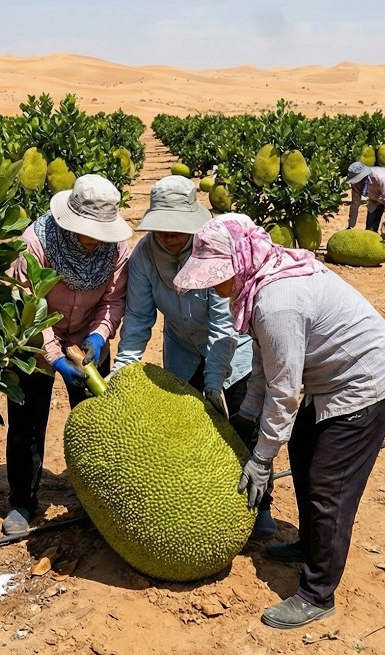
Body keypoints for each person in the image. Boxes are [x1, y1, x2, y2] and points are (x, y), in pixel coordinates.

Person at [173, 214, 385, 630]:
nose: (214, 285)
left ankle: (318, 594)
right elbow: (266, 365)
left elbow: (285, 391)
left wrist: (262, 457)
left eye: (218, 276)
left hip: (366, 383)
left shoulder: (277, 301)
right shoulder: (261, 280)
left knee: (328, 483)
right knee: (302, 452)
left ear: (240, 261)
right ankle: (310, 544)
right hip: (332, 379)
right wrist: (247, 418)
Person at [112, 177, 276, 537]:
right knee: (186, 433)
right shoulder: (143, 257)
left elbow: (224, 324)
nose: (170, 236)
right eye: (163, 229)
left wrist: (215, 381)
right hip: (182, 350)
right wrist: (125, 367)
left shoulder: (213, 250)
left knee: (243, 427)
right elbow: (139, 317)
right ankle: (201, 499)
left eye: (178, 229)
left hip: (234, 349)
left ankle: (262, 504)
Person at [3, 174, 132, 536]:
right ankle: (22, 500)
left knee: (95, 421)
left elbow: (113, 300)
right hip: (33, 336)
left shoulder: (117, 249)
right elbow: (28, 305)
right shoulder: (35, 243)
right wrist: (54, 357)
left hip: (86, 336)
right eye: (87, 230)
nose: (94, 240)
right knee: (27, 422)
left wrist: (99, 338)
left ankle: (97, 495)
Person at [345, 161, 385, 232]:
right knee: (370, 228)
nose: (357, 182)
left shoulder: (380, 178)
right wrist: (350, 226)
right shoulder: (355, 184)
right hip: (375, 199)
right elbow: (355, 203)